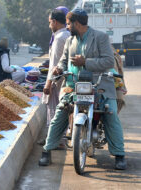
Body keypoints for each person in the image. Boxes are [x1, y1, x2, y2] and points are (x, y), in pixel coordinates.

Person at [38, 8, 126, 170]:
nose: (67, 26)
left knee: (111, 115)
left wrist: (86, 62)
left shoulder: (101, 37)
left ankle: (120, 155)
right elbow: (64, 61)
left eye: (69, 23)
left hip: (100, 85)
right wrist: (58, 69)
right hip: (73, 85)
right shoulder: (69, 41)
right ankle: (46, 151)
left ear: (77, 23)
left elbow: (108, 61)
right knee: (60, 113)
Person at [39, 7, 70, 147]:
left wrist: (48, 84)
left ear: (55, 22)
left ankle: (55, 141)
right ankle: (59, 139)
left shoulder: (59, 38)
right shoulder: (66, 35)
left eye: (50, 22)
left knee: (54, 110)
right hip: (65, 79)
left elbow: (55, 64)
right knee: (61, 111)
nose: (49, 25)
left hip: (57, 81)